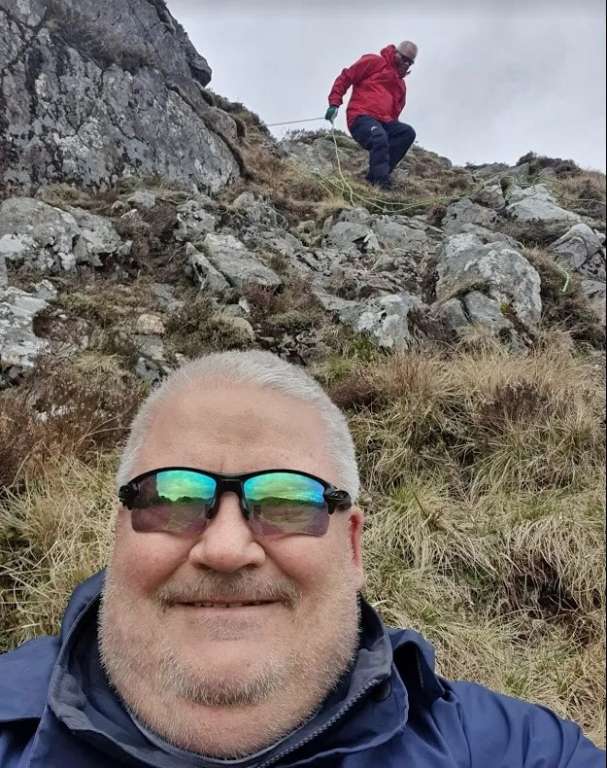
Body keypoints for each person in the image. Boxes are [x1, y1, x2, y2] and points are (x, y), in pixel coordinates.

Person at [0, 349, 604, 768]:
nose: (227, 549)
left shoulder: (515, 754)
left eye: (287, 500)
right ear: (119, 532)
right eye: (173, 497)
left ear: (352, 544)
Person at [325, 41, 418, 189]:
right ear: (395, 53)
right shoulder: (374, 62)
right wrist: (334, 103)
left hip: (385, 122)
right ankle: (380, 184)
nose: (406, 64)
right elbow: (347, 77)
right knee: (379, 136)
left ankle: (377, 175)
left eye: (410, 62)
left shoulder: (401, 86)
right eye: (403, 58)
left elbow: (396, 110)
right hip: (361, 117)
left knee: (407, 133)